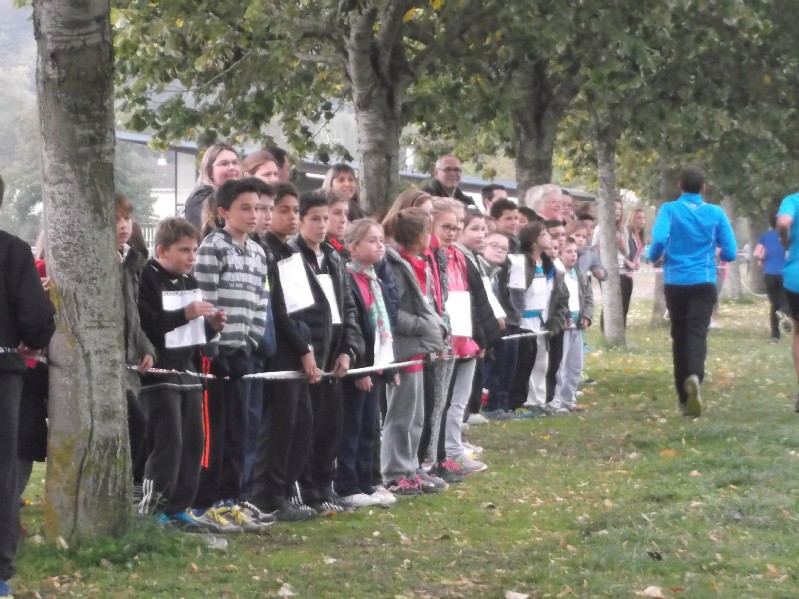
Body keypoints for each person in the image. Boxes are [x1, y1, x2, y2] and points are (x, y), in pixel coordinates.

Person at [136, 217, 230, 531]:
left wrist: (211, 325)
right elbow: (149, 324)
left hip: (189, 372)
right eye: (184, 250)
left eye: (194, 250)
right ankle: (153, 510)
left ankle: (179, 508)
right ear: (162, 251)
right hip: (160, 375)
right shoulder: (147, 277)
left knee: (194, 441)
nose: (191, 257)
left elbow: (193, 330)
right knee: (168, 443)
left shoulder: (190, 282)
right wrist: (185, 314)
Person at [191, 178, 270, 531]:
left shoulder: (258, 252)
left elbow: (260, 303)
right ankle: (204, 502)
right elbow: (205, 299)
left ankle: (230, 499)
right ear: (223, 212)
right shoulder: (212, 247)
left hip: (242, 354)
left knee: (239, 429)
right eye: (245, 208)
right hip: (214, 357)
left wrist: (249, 344)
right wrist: (214, 346)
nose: (254, 214)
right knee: (215, 432)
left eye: (257, 208)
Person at [0, 174, 56, 599]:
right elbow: (38, 319)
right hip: (4, 370)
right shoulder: (13, 251)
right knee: (2, 474)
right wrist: (31, 341)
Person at [291, 192, 363, 514]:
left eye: (326, 218)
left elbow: (348, 309)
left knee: (330, 428)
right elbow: (294, 312)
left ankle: (323, 486)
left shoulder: (334, 258)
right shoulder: (292, 257)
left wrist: (348, 351)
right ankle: (306, 490)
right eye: (315, 219)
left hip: (334, 357)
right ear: (301, 220)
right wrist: (305, 351)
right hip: (308, 357)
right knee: (306, 429)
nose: (322, 225)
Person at [250, 182, 318, 522]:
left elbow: (301, 306)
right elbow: (278, 309)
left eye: (295, 210)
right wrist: (302, 347)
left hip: (299, 342)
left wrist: (309, 345)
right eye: (283, 210)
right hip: (281, 349)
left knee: (301, 424)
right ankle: (269, 494)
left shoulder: (291, 253)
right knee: (278, 425)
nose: (291, 217)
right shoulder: (266, 252)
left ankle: (285, 490)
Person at [648, 166, 737, 417]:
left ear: (679, 186)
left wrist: (653, 256)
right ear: (703, 187)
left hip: (676, 282)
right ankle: (695, 376)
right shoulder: (715, 213)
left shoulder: (669, 209)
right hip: (704, 280)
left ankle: (683, 399)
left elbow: (658, 239)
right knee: (698, 332)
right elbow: (730, 251)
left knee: (679, 334)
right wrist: (717, 252)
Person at [381, 208, 446, 495]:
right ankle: (394, 472)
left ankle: (410, 467)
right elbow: (396, 314)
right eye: (428, 230)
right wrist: (427, 324)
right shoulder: (395, 265)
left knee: (417, 415)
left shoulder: (417, 263)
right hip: (403, 349)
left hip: (418, 350)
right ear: (419, 235)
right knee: (400, 415)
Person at [334, 219, 397, 508]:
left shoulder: (374, 278)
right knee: (352, 427)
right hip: (359, 368)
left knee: (371, 426)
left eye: (381, 239)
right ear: (353, 247)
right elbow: (355, 325)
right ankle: (348, 483)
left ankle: (367, 481)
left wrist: (388, 366)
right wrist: (360, 368)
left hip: (375, 365)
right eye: (372, 240)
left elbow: (382, 327)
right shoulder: (348, 277)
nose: (380, 244)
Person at [507, 221, 569, 415]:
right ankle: (520, 402)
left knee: (542, 363)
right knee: (524, 364)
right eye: (545, 235)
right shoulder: (521, 263)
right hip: (523, 323)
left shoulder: (551, 267)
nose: (550, 238)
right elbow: (514, 294)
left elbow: (560, 298)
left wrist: (555, 321)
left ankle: (538, 400)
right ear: (533, 241)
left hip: (542, 323)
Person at [116, 193, 156, 490]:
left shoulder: (132, 262)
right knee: (135, 422)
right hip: (111, 361)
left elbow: (135, 314)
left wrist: (146, 348)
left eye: (127, 218)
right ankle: (129, 484)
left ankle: (134, 484)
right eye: (115, 219)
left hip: (131, 359)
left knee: (139, 423)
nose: (122, 225)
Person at [551, 236, 593, 412]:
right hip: (563, 326)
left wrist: (587, 316)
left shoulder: (580, 273)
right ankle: (556, 400)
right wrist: (560, 318)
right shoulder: (555, 273)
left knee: (575, 365)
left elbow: (589, 298)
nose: (573, 255)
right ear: (559, 253)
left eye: (575, 251)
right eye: (568, 251)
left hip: (578, 326)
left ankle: (568, 398)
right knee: (559, 365)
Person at [183, 143, 240, 230]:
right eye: (224, 163)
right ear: (209, 171)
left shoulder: (240, 197)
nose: (232, 167)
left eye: (235, 163)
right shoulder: (200, 199)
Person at [754, 213, 790, 342]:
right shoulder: (789, 236)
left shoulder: (765, 236)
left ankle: (775, 337)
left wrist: (762, 259)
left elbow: (757, 253)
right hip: (785, 273)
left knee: (774, 304)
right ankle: (784, 311)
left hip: (769, 274)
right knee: (787, 299)